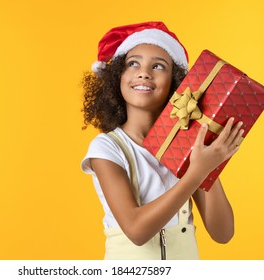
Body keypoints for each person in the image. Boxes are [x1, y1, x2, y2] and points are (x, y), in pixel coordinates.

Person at [81, 21, 244, 259]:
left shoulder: (188, 147)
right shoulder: (107, 148)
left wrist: (211, 163)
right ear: (117, 76)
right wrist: (197, 172)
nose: (144, 72)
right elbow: (136, 231)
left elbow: (223, 233)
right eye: (133, 63)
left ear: (176, 83)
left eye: (158, 66)